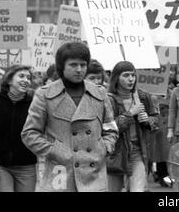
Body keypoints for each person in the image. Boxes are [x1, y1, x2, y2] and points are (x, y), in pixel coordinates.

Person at [21, 42, 118, 192]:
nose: (79, 69)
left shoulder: (99, 93)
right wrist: (56, 151)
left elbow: (110, 128)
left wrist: (104, 148)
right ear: (61, 66)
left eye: (83, 65)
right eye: (73, 65)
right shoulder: (45, 94)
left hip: (94, 173)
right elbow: (29, 134)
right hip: (59, 174)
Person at [106, 61, 159, 192]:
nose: (131, 79)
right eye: (126, 75)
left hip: (137, 151)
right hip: (115, 152)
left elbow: (156, 120)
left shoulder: (142, 96)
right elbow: (109, 127)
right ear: (116, 77)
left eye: (133, 75)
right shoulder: (109, 99)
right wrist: (131, 113)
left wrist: (148, 120)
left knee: (138, 189)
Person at [0, 65, 37, 192]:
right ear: (9, 80)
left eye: (28, 77)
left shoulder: (35, 103)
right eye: (21, 76)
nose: (26, 80)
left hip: (27, 165)